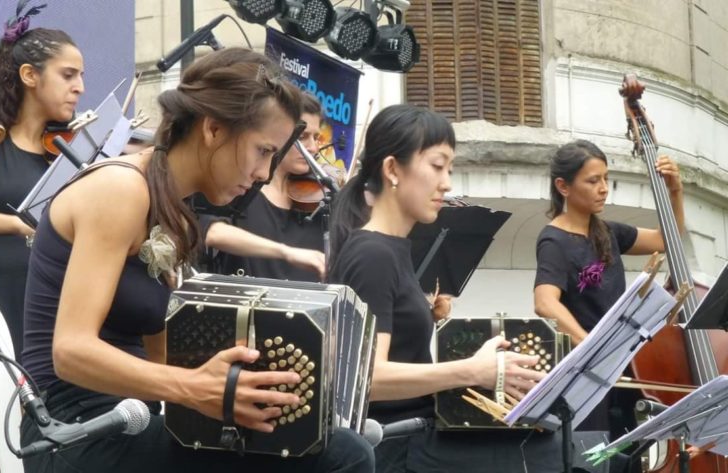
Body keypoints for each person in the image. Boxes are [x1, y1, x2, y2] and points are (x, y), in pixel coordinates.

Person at [19, 48, 374, 473]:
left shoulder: (177, 216)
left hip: (133, 424)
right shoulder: (120, 188)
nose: (264, 173)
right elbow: (70, 351)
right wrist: (197, 387)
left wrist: (265, 388)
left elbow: (160, 357)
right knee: (344, 456)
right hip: (76, 434)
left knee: (323, 442)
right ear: (213, 129)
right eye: (263, 151)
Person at [328, 104, 558, 472]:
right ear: (392, 169)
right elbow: (366, 379)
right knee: (550, 454)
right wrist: (473, 370)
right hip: (397, 447)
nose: (447, 182)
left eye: (448, 169)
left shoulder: (389, 249)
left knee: (554, 443)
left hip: (415, 439)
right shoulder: (372, 253)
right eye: (437, 166)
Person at [533, 139, 684, 441]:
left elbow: (667, 239)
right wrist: (591, 347)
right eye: (593, 181)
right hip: (588, 375)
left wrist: (675, 191)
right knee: (594, 455)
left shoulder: (609, 231)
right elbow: (545, 303)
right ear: (564, 186)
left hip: (624, 367)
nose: (604, 187)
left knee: (627, 454)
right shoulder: (554, 240)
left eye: (606, 179)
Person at [0, 6, 84, 359]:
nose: (80, 88)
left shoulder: (60, 154)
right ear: (30, 75)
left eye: (81, 76)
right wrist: (16, 225)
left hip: (46, 304)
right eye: (68, 75)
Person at [203, 93, 327, 281]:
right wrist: (286, 252)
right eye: (302, 137)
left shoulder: (322, 199)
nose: (313, 148)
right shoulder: (240, 187)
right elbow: (210, 231)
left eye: (316, 137)